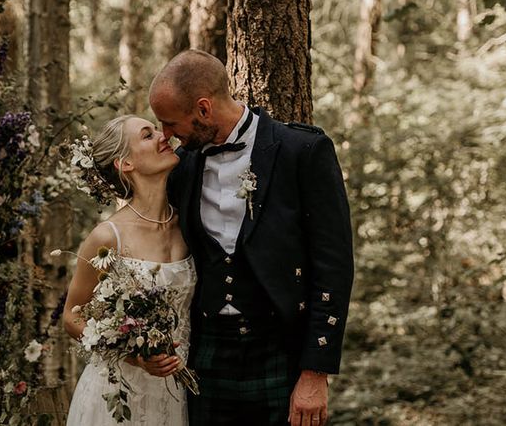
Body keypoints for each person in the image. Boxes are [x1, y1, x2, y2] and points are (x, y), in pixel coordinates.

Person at [149, 50, 354, 426]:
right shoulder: (182, 167)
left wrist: (315, 372)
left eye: (170, 123)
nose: (166, 135)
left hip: (281, 348)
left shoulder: (302, 151)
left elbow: (333, 265)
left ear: (204, 109)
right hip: (207, 352)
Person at [64, 114, 197, 426]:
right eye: (148, 135)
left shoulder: (190, 225)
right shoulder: (108, 236)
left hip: (175, 394)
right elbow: (72, 316)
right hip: (116, 397)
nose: (165, 136)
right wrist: (133, 356)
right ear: (125, 164)